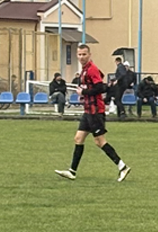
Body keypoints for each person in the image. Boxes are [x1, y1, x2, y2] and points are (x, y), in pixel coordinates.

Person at [55, 45, 131, 182]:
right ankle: (72, 171)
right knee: (78, 138)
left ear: (89, 55)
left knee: (99, 141)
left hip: (95, 111)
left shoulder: (92, 69)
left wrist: (84, 92)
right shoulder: (85, 70)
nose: (81, 57)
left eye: (84, 54)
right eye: (79, 54)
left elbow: (99, 87)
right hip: (88, 110)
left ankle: (122, 167)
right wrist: (84, 94)